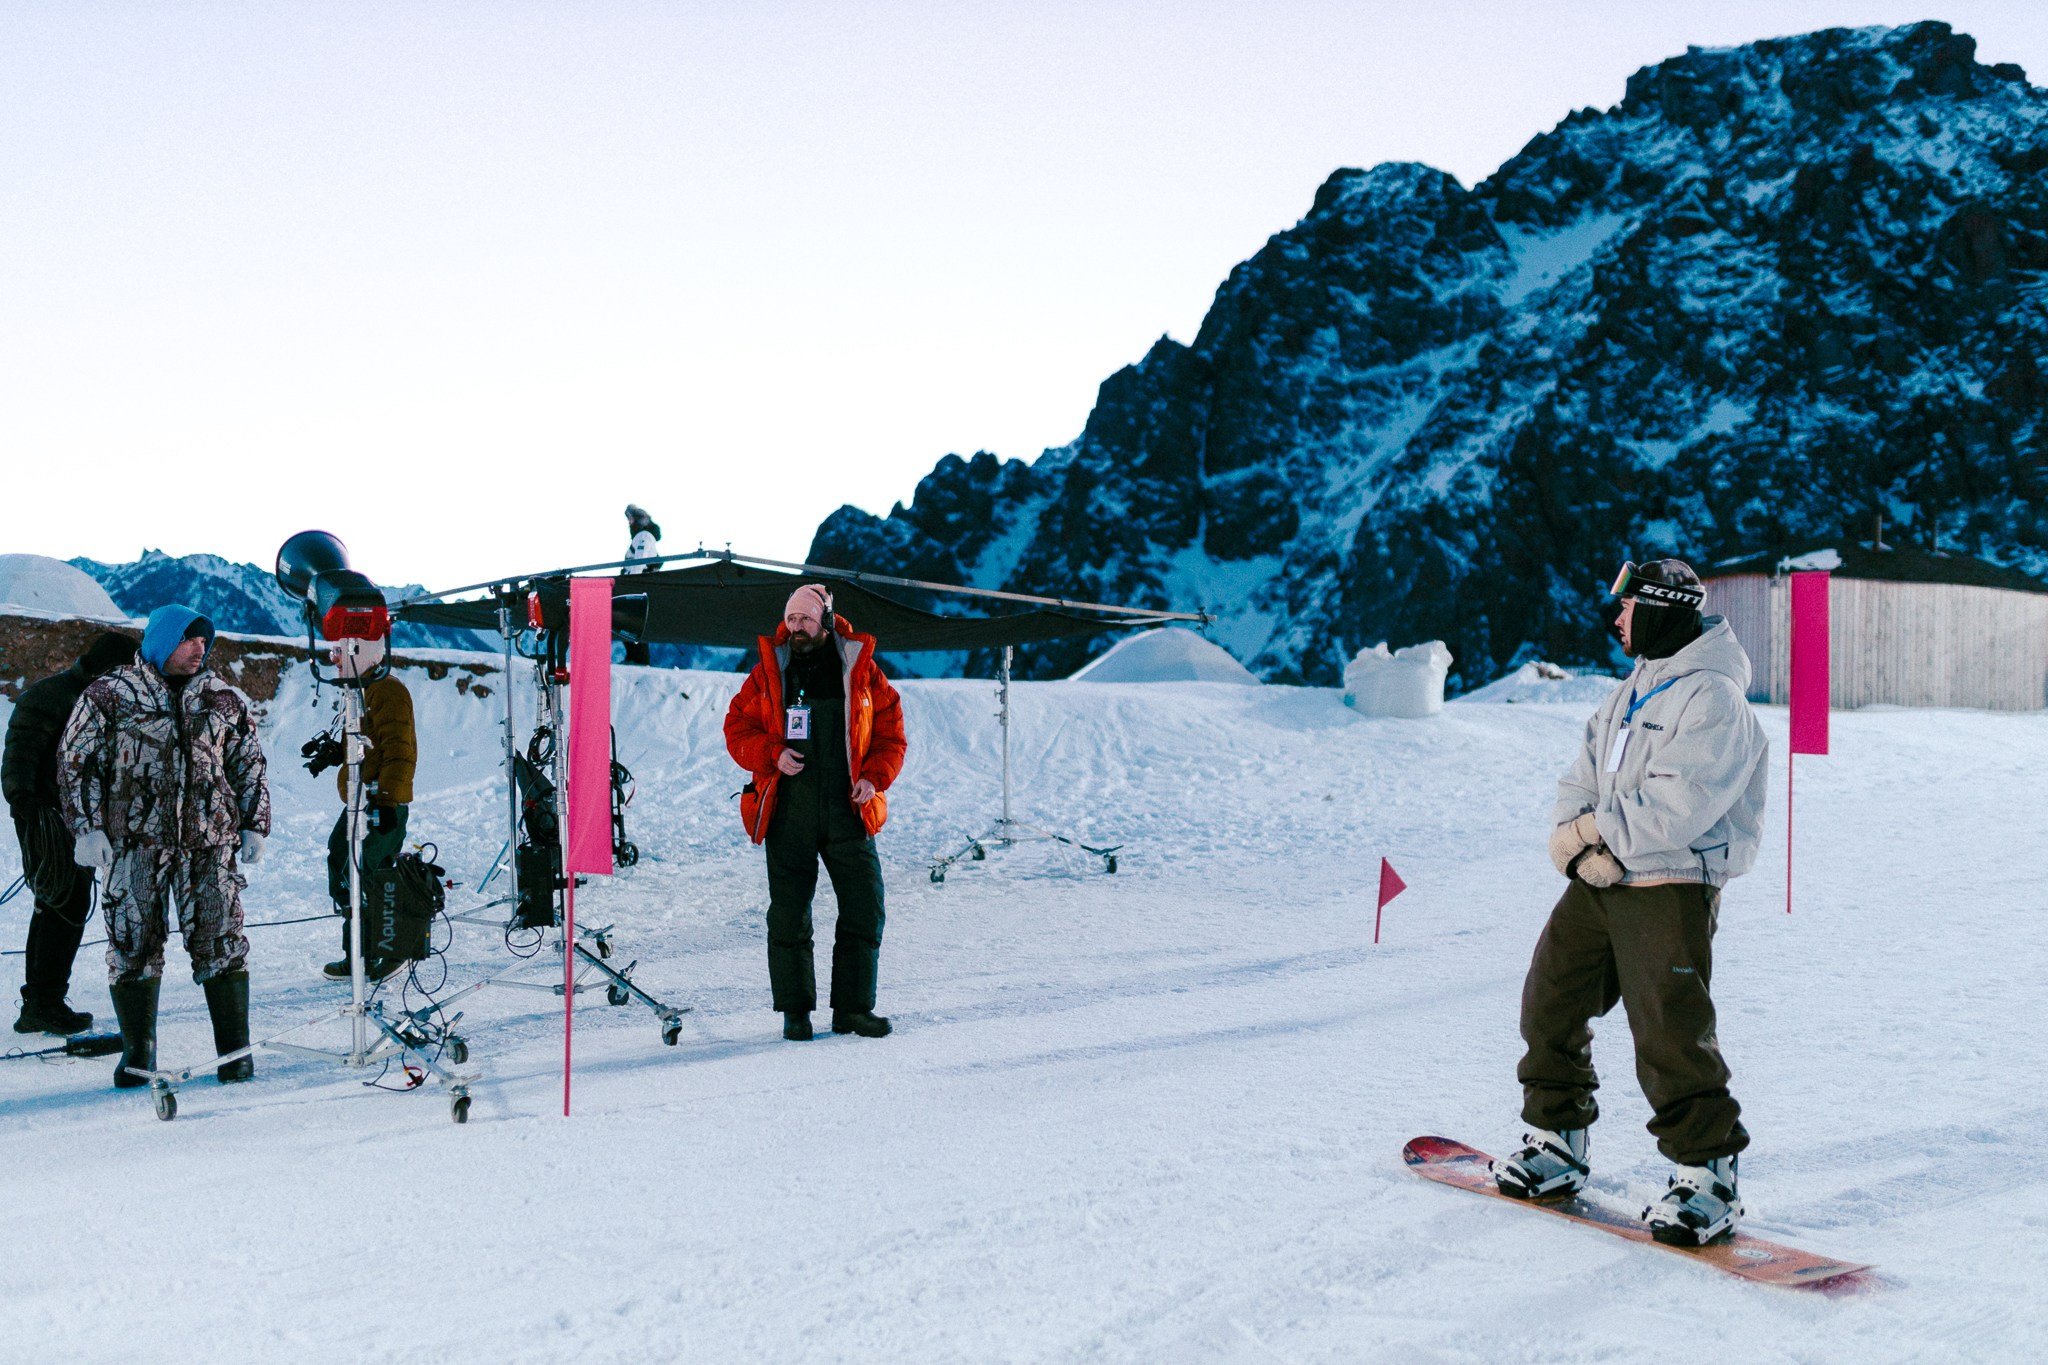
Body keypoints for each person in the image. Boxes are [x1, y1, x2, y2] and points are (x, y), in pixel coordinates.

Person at [1491, 558, 1769, 1247]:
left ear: (1662, 608)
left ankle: (1708, 1177)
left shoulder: (1712, 698)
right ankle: (1557, 1140)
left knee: (1668, 1029)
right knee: (1550, 996)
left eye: (1626, 606)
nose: (1614, 618)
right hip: (1601, 880)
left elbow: (1679, 806)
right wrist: (1577, 842)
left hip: (1670, 882)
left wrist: (1594, 836)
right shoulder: (1630, 691)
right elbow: (1580, 776)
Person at [57, 605, 271, 1088]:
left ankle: (235, 1054)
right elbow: (76, 762)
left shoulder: (222, 699)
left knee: (222, 942)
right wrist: (86, 828)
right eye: (187, 640)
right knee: (132, 945)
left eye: (203, 640)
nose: (198, 649)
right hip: (132, 844)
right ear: (161, 642)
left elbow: (249, 764)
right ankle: (138, 1057)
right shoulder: (109, 695)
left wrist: (254, 825)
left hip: (208, 844)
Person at [723, 584, 906, 1041]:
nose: (796, 627)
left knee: (865, 908)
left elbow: (891, 733)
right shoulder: (769, 672)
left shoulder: (859, 668)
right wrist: (770, 753)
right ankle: (795, 1012)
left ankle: (853, 1010)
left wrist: (873, 777)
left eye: (804, 619)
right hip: (790, 811)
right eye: (790, 619)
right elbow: (736, 728)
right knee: (788, 914)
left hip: (849, 809)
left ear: (823, 620)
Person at [4, 631, 139, 1035]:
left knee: (56, 903)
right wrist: (24, 800)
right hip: (49, 816)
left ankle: (41, 1001)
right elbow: (21, 752)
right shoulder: (54, 696)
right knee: (65, 902)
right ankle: (43, 1002)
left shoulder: (92, 695)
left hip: (71, 817)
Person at [319, 635, 417, 982]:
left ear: (359, 653)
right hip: (362, 800)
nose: (334, 659)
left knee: (369, 876)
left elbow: (398, 749)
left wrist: (388, 799)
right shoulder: (362, 691)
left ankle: (389, 951)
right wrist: (336, 754)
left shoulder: (386, 690)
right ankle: (359, 954)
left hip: (379, 801)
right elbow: (368, 743)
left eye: (339, 652)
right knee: (344, 866)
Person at [621, 504, 660, 665]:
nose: (629, 523)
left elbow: (639, 561)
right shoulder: (643, 536)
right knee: (629, 622)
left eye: (630, 519)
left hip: (635, 585)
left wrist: (631, 583)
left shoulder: (643, 536)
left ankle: (639, 658)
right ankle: (635, 657)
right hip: (637, 584)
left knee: (631, 621)